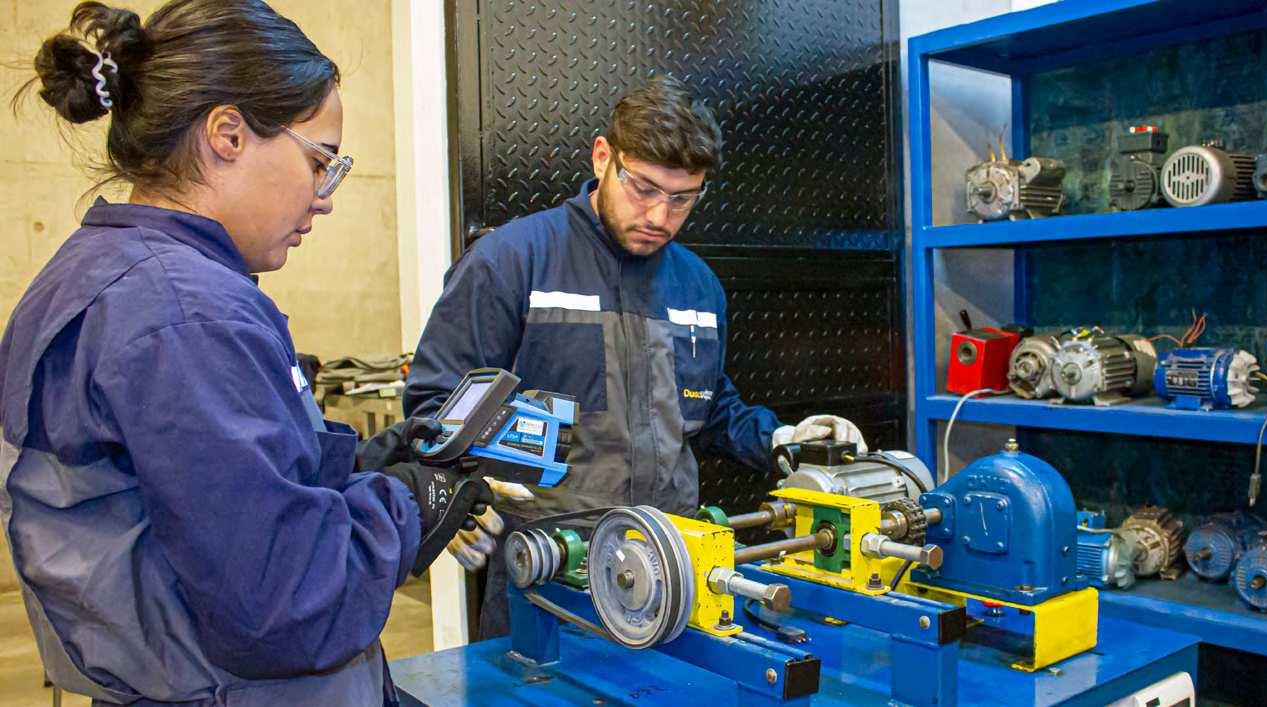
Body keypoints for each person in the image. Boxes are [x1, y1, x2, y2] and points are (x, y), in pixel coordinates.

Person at [0, 2, 510, 704]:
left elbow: (219, 492)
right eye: (319, 161)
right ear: (228, 135)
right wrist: (411, 504)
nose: (324, 197)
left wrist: (371, 462)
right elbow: (289, 601)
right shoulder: (185, 313)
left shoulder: (108, 272)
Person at [404, 75, 867, 639]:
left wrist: (782, 439)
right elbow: (436, 406)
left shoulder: (698, 285)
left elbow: (708, 409)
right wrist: (449, 492)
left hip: (672, 566)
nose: (659, 216)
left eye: (681, 199)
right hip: (549, 571)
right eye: (644, 188)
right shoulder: (511, 261)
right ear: (603, 157)